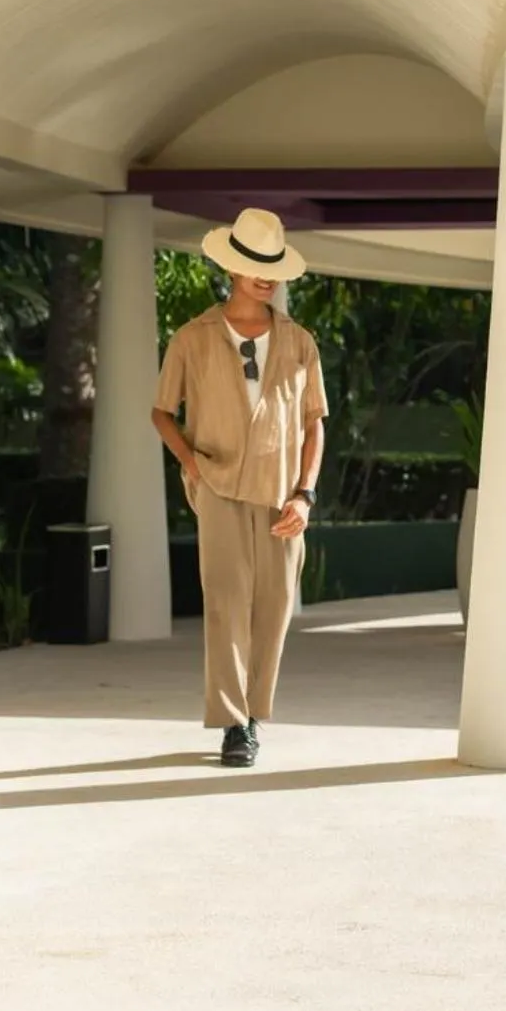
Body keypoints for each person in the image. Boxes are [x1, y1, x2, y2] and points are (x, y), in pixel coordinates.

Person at [150, 208, 328, 768]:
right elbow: (161, 412)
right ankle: (235, 724)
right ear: (232, 267)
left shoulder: (299, 342)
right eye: (254, 265)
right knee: (227, 605)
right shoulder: (193, 339)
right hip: (219, 488)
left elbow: (314, 423)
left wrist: (305, 493)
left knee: (272, 608)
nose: (265, 276)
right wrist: (192, 466)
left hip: (282, 496)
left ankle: (254, 712)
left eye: (272, 266)